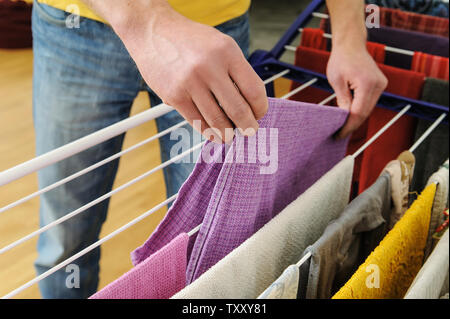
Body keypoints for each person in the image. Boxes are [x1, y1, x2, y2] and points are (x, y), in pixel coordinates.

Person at [32, 0, 387, 298]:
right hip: (75, 26)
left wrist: (350, 36)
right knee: (65, 238)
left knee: (215, 250)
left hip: (218, 33)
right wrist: (147, 22)